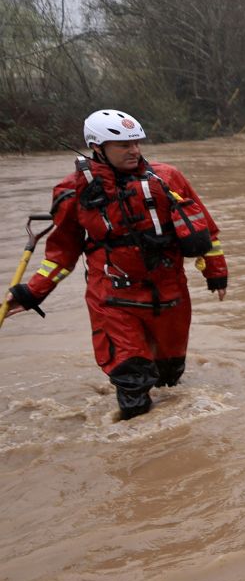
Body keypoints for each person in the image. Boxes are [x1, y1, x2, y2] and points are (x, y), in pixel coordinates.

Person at [4, 109, 228, 420]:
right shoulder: (73, 192)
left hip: (169, 295)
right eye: (123, 145)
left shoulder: (168, 179)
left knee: (170, 381)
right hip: (112, 299)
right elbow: (62, 252)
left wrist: (216, 273)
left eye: (136, 143)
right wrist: (32, 293)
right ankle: (137, 451)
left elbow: (207, 229)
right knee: (132, 382)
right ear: (98, 147)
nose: (134, 150)